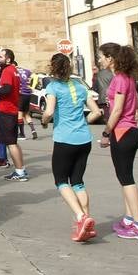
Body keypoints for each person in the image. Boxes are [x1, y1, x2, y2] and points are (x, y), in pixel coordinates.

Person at [41, 52, 103, 242]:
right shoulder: (78, 86)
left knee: (61, 181)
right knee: (78, 181)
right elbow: (96, 112)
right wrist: (83, 121)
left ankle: (80, 216)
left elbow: (49, 111)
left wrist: (44, 121)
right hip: (84, 139)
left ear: (53, 68)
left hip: (64, 139)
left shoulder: (53, 87)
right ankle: (86, 222)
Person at [99, 43, 138, 239]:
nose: (99, 60)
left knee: (127, 179)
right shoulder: (128, 78)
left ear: (110, 58)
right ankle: (129, 218)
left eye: (101, 56)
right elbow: (135, 103)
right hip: (131, 130)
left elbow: (117, 110)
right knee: (124, 176)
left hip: (122, 131)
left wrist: (106, 132)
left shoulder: (119, 79)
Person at [0, 48, 28, 181]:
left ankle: (19, 172)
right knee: (13, 142)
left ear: (8, 59)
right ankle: (21, 169)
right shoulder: (14, 70)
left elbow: (6, 89)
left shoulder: (7, 71)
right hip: (12, 110)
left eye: (1, 57)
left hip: (6, 110)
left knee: (11, 143)